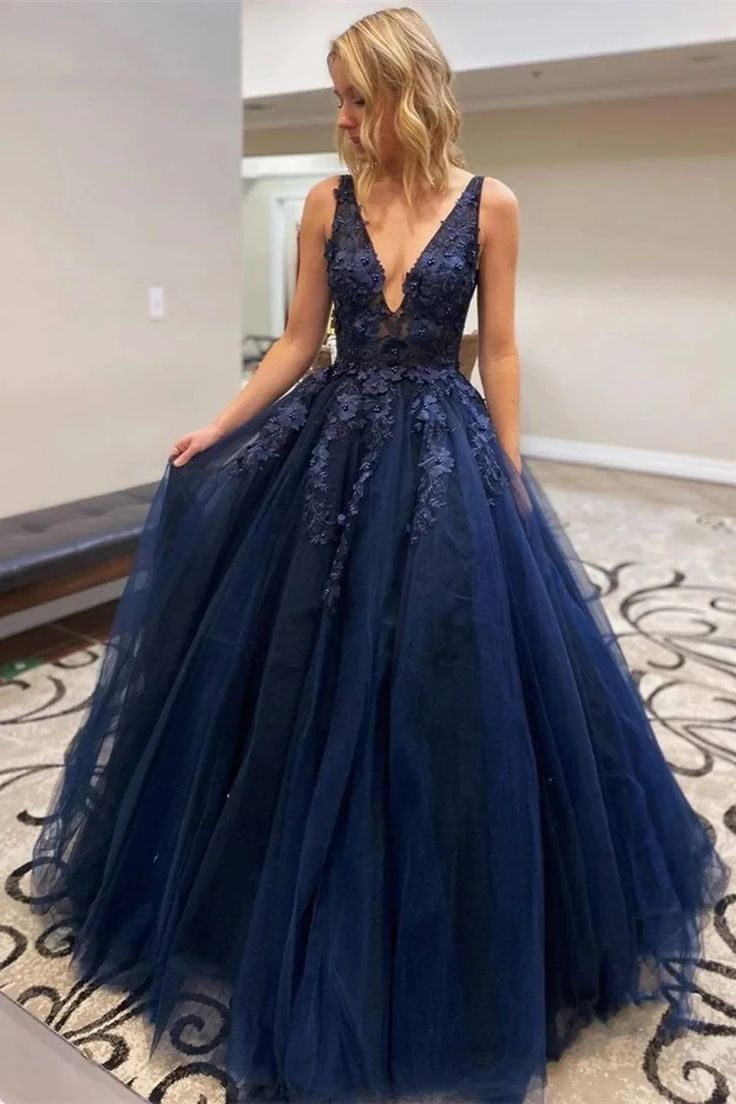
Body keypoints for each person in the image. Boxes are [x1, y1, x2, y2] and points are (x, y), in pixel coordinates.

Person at [30, 7, 730, 1104]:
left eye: (357, 98)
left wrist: (508, 474)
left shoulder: (492, 203)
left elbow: (500, 349)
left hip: (446, 451)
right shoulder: (326, 202)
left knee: (447, 669)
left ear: (407, 93)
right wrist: (218, 426)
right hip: (330, 452)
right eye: (338, 98)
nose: (343, 118)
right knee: (299, 660)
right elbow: (298, 341)